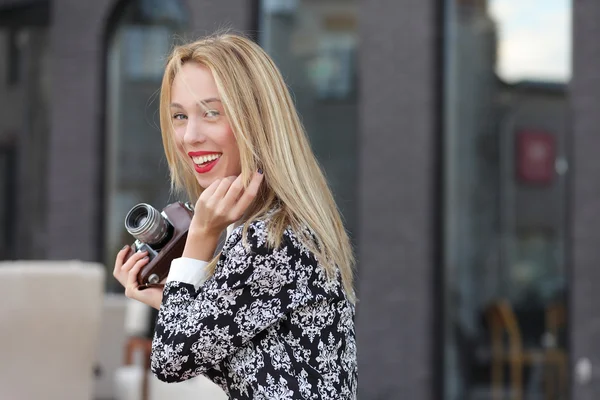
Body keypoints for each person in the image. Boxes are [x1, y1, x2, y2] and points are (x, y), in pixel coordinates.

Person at [112, 32, 357, 399]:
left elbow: (171, 360)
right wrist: (167, 298)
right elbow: (235, 354)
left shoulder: (271, 239)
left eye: (212, 112)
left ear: (255, 120)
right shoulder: (275, 227)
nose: (190, 136)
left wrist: (200, 235)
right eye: (179, 116)